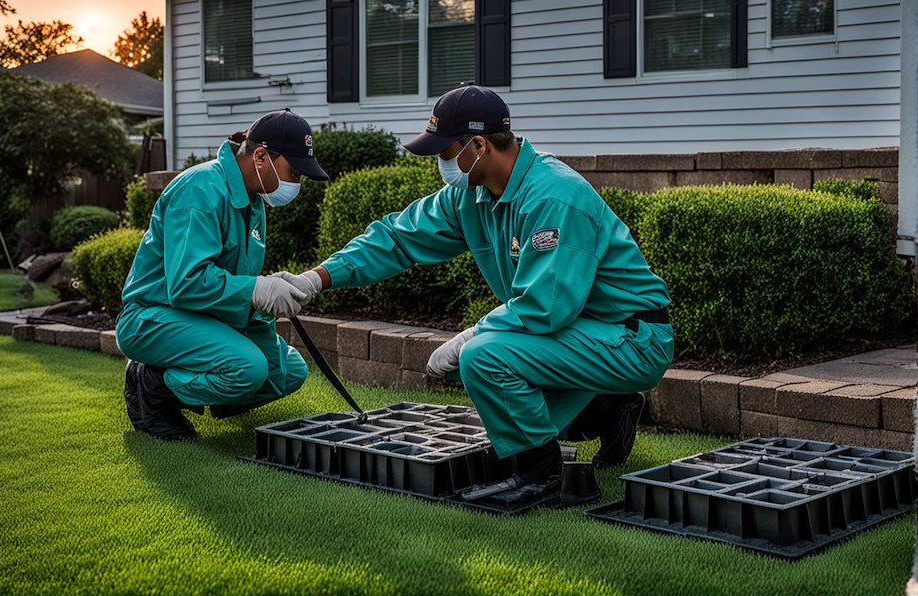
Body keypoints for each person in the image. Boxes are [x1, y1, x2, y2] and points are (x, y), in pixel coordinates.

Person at [283, 85, 674, 498]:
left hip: (632, 338)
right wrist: (316, 278)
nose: (440, 161)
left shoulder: (553, 196)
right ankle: (609, 408)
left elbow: (545, 309)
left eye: (445, 150)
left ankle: (543, 475)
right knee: (513, 414)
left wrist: (473, 334)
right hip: (579, 331)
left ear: (479, 145)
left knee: (485, 359)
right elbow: (398, 237)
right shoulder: (470, 196)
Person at [116, 109, 329, 441]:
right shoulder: (199, 190)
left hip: (202, 316)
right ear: (261, 157)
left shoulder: (253, 200)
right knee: (249, 368)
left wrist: (270, 291)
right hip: (152, 317)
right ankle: (153, 383)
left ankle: (200, 391)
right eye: (294, 172)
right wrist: (256, 290)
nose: (295, 183)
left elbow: (232, 278)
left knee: (287, 373)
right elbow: (186, 285)